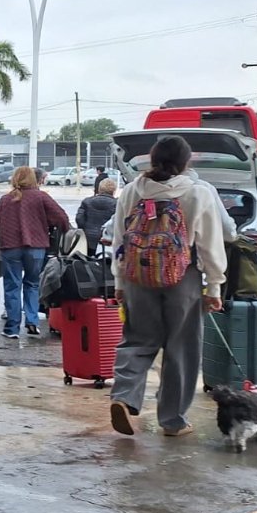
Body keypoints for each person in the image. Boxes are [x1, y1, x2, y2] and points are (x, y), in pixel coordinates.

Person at [109, 136, 227, 438]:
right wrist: (214, 287)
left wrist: (120, 281)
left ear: (152, 158)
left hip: (137, 275)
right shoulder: (199, 192)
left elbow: (120, 239)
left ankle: (124, 397)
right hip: (181, 277)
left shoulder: (134, 189)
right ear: (186, 162)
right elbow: (211, 243)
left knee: (136, 340)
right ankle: (172, 420)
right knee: (182, 348)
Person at [0, 166, 70, 339]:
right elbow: (62, 218)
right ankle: (32, 322)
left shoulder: (6, 199)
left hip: (11, 248)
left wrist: (6, 234)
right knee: (32, 284)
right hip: (36, 248)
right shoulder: (41, 197)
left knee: (12, 286)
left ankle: (12, 329)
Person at [76, 177, 118, 255]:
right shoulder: (117, 204)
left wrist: (84, 229)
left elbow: (79, 218)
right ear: (114, 191)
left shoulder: (87, 201)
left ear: (99, 189)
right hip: (108, 240)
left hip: (88, 238)